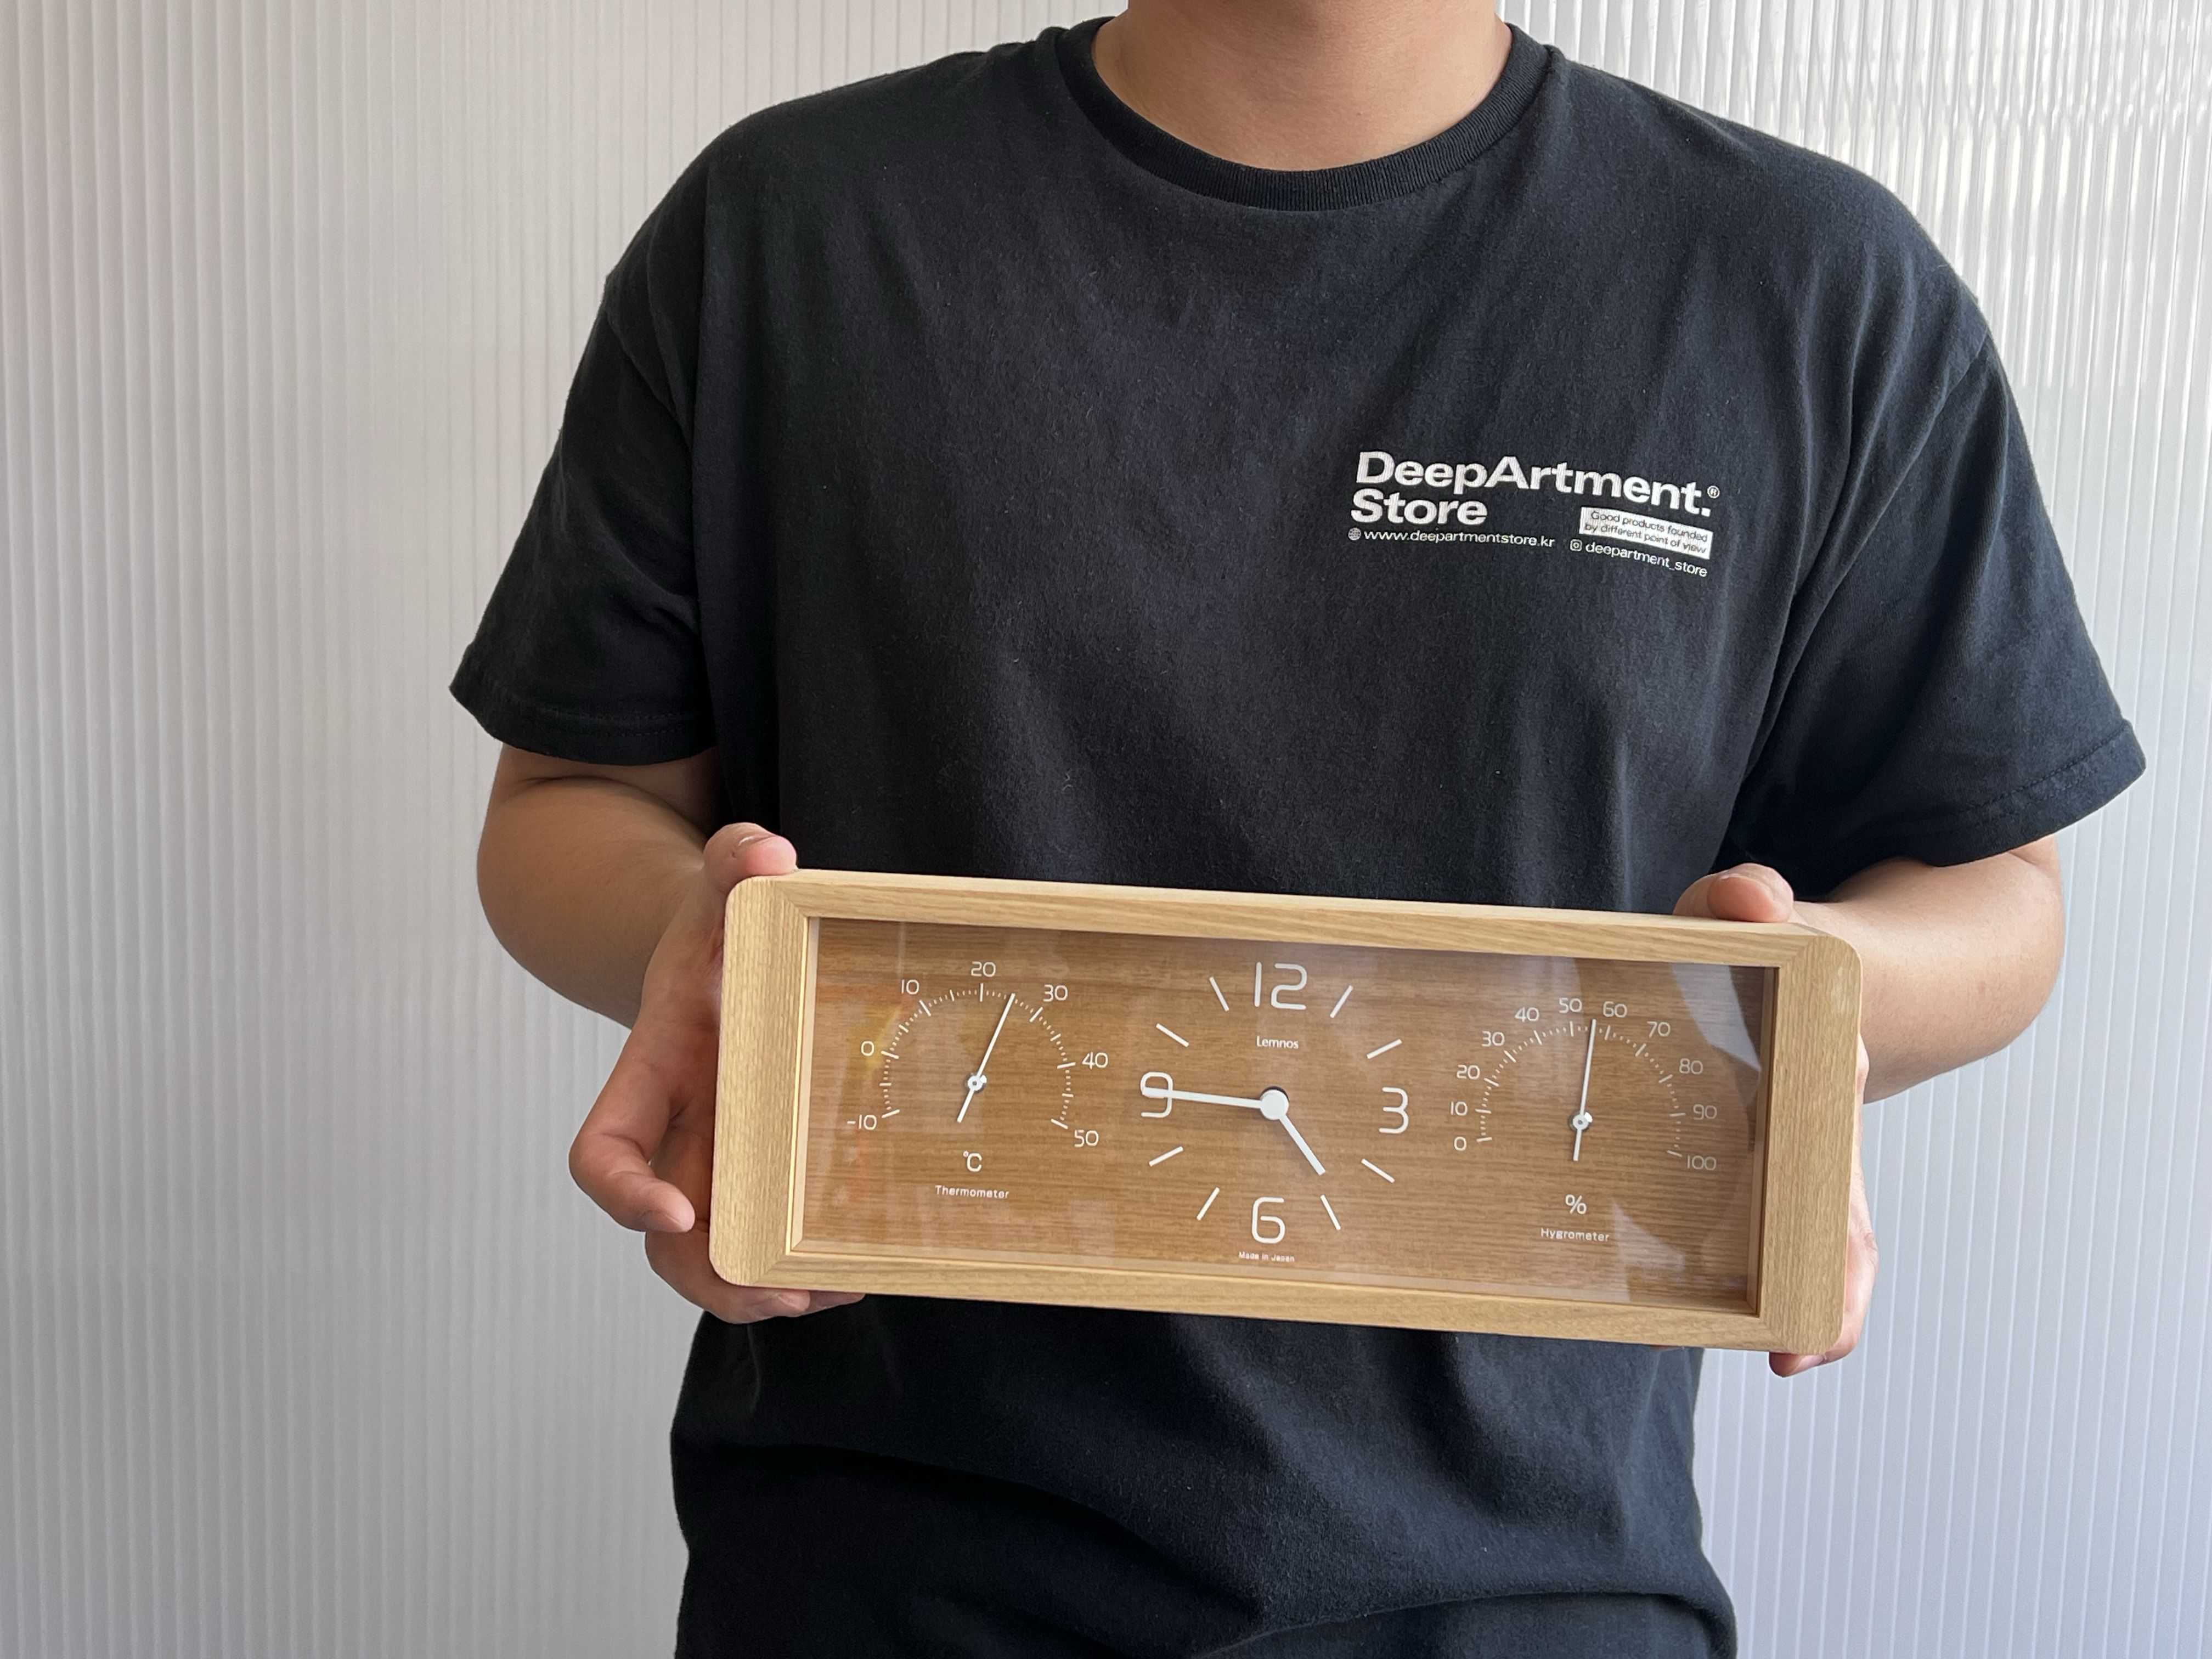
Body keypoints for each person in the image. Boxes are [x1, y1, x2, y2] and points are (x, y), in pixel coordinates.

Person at [453, 3, 2142, 1653]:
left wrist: (1801, 1011)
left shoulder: (1805, 279)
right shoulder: (791, 229)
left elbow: (1993, 886)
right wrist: (712, 957)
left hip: (1533, 1587)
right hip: (883, 1572)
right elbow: (574, 799)